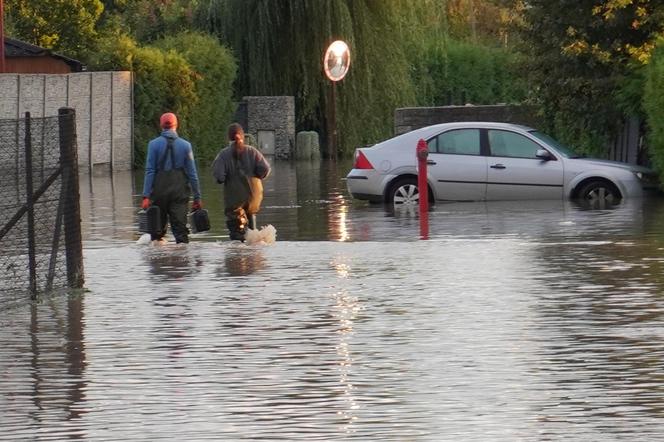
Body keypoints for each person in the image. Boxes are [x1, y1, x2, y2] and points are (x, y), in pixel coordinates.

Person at [141, 112, 202, 244]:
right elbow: (192, 174)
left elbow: (150, 171)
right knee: (180, 232)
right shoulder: (186, 146)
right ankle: (182, 262)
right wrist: (197, 197)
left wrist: (145, 196)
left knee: (156, 233)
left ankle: (159, 262)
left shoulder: (153, 145)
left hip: (159, 194)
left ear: (161, 125)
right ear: (177, 125)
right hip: (179, 194)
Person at [212, 123, 271, 241]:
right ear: (243, 136)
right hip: (254, 197)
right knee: (253, 232)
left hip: (235, 199)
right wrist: (257, 176)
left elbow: (219, 177)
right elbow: (265, 169)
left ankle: (239, 249)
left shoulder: (223, 155)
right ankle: (254, 245)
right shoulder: (253, 152)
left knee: (237, 237)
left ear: (228, 137)